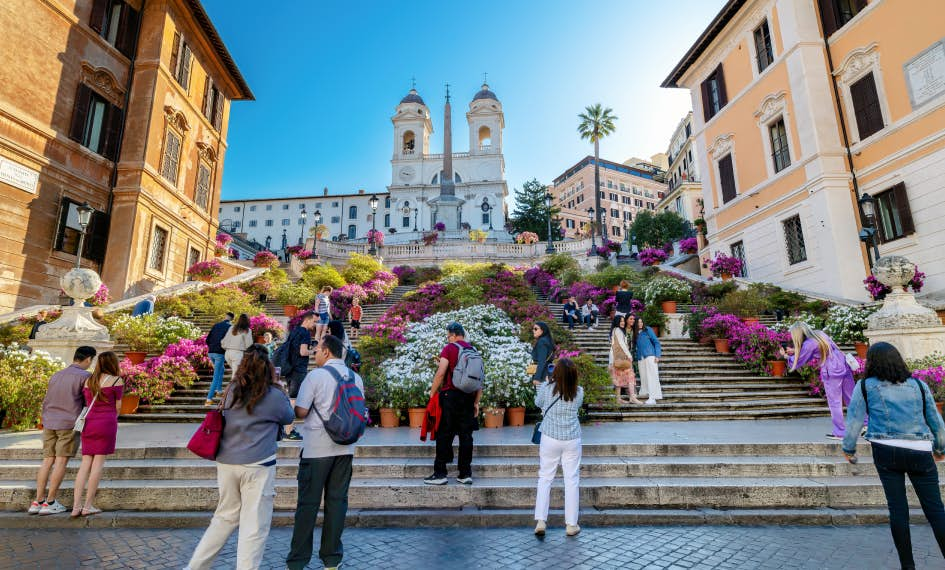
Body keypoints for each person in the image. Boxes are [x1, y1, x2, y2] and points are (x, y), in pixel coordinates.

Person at [187, 345, 295, 570]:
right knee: (254, 526)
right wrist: (280, 389)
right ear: (268, 369)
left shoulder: (232, 389)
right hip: (258, 464)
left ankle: (194, 567)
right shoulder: (273, 395)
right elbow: (288, 417)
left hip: (227, 461)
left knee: (223, 518)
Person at [842, 342, 945, 570]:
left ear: (871, 362)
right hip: (919, 450)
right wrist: (940, 449)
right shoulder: (918, 385)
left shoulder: (865, 386)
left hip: (885, 451)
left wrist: (848, 449)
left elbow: (854, 422)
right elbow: (937, 423)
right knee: (936, 509)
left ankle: (907, 566)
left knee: (898, 510)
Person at [287, 335, 364, 570]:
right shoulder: (356, 377)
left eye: (317, 350)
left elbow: (300, 411)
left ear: (327, 352)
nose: (315, 353)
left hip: (316, 449)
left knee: (308, 505)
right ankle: (332, 559)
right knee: (337, 503)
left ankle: (298, 561)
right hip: (346, 448)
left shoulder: (316, 376)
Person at [29, 346, 96, 515]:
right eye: (91, 360)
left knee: (47, 461)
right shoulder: (86, 376)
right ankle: (50, 502)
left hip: (49, 422)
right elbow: (89, 401)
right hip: (68, 424)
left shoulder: (57, 374)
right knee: (60, 462)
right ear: (88, 359)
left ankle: (38, 501)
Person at [424, 322, 481, 486]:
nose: (448, 338)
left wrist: (432, 393)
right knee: (466, 436)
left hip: (450, 395)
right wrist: (476, 402)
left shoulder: (449, 348)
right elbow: (480, 380)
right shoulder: (473, 351)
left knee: (444, 434)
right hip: (469, 398)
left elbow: (441, 372)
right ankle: (465, 473)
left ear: (454, 335)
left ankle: (440, 473)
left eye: (448, 336)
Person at [532, 357, 584, 537]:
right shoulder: (579, 391)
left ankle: (541, 521)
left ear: (556, 373)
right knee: (571, 480)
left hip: (550, 437)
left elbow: (537, 403)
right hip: (571, 438)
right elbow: (575, 404)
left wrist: (545, 384)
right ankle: (571, 524)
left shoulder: (547, 389)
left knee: (545, 478)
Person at [70, 351, 123, 517]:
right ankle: (87, 506)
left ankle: (75, 507)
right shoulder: (116, 380)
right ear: (113, 363)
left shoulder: (88, 380)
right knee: (97, 465)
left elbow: (86, 401)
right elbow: (119, 407)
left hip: (89, 422)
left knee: (85, 464)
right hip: (106, 422)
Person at [782, 322, 854, 440]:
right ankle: (865, 424)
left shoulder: (808, 344)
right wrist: (795, 351)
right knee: (851, 398)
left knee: (835, 402)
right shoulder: (819, 334)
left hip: (831, 371)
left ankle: (840, 432)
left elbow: (799, 360)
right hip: (843, 364)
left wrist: (786, 357)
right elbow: (814, 350)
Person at [283, 312, 317, 441]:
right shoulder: (305, 333)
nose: (315, 325)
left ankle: (288, 428)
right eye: (314, 322)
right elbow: (303, 352)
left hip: (290, 368)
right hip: (298, 369)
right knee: (294, 400)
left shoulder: (294, 331)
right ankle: (288, 431)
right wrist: (314, 350)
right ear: (307, 321)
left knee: (292, 398)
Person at [610, 315, 641, 405]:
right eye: (621, 321)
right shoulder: (618, 330)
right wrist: (629, 355)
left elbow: (613, 346)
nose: (623, 323)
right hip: (622, 357)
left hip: (616, 358)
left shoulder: (614, 330)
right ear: (617, 322)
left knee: (618, 377)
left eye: (623, 321)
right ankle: (632, 397)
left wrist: (611, 360)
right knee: (630, 375)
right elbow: (622, 344)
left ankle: (618, 399)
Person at [632, 316, 663, 405]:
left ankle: (653, 398)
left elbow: (656, 342)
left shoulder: (648, 329)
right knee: (644, 376)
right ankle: (645, 392)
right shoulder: (635, 333)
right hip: (640, 358)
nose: (640, 324)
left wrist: (657, 355)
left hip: (650, 356)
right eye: (638, 322)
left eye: (641, 322)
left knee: (652, 376)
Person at [204, 312, 234, 406]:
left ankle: (219, 390)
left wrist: (212, 347)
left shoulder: (216, 325)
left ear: (225, 317)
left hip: (211, 352)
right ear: (232, 319)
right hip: (219, 353)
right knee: (216, 376)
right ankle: (209, 399)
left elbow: (207, 340)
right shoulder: (230, 327)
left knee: (221, 369)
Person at [221, 314, 253, 383]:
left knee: (237, 374)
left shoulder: (232, 328)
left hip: (227, 353)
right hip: (237, 354)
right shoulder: (247, 330)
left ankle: (237, 390)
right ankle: (231, 392)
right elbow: (249, 345)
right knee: (235, 376)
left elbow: (224, 340)